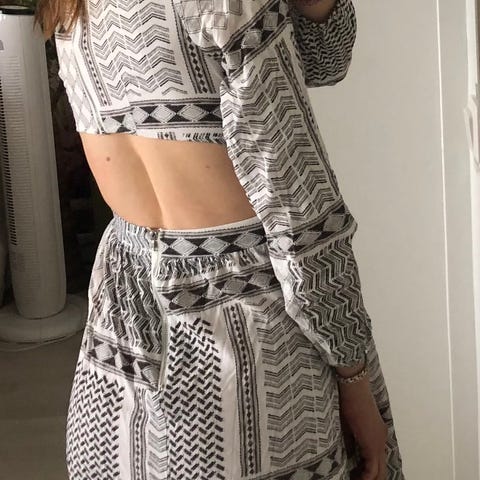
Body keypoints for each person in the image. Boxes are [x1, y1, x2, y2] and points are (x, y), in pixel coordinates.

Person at [35, 0, 404, 478]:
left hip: (116, 347)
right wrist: (354, 378)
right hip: (246, 354)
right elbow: (302, 217)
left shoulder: (68, 6)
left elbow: (319, 60)